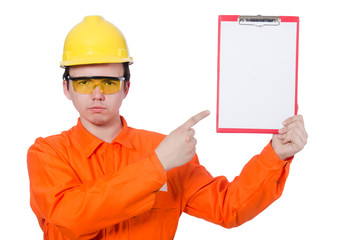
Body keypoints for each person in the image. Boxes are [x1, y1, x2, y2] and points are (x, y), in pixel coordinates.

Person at [27, 16, 308, 240]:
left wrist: (276, 155)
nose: (97, 94)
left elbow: (228, 208)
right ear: (66, 87)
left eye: (110, 82)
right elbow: (70, 218)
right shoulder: (49, 153)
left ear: (127, 87)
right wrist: (157, 165)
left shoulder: (165, 150)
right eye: (84, 83)